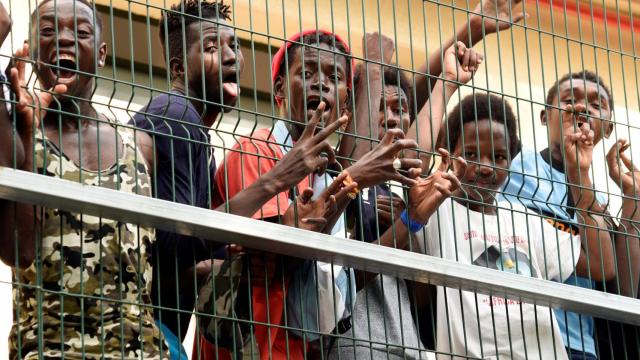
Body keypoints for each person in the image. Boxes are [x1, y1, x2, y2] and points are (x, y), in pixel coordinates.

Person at [131, 3, 350, 354]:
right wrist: (277, 180)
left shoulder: (198, 136)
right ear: (179, 67)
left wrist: (227, 254)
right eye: (212, 48)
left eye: (233, 45)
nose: (232, 57)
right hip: (140, 329)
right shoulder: (178, 114)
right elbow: (174, 251)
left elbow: (178, 251)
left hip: (157, 329)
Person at [0, 0, 169, 358]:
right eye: (48, 31)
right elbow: (18, 250)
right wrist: (26, 135)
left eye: (81, 33)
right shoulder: (15, 135)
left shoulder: (139, 145)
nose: (63, 40)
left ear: (102, 55)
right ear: (32, 54)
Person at [328, 35, 482, 359]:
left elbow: (423, 297)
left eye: (401, 109)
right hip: (355, 345)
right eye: (380, 107)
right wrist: (372, 66)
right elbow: (350, 273)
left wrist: (448, 84)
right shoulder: (339, 171)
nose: (393, 117)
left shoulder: (403, 188)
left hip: (409, 348)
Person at [410, 92, 586, 359]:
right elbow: (412, 156)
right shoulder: (433, 211)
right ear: (449, 154)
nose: (485, 167)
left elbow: (602, 264)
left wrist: (580, 173)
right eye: (470, 154)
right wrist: (445, 82)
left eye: (499, 157)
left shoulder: (523, 218)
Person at [500, 70, 616, 359]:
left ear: (608, 127)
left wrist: (579, 174)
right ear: (544, 116)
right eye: (569, 100)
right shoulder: (510, 163)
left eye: (596, 104)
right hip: (510, 332)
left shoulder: (598, 199)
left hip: (576, 345)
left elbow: (605, 267)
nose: (581, 108)